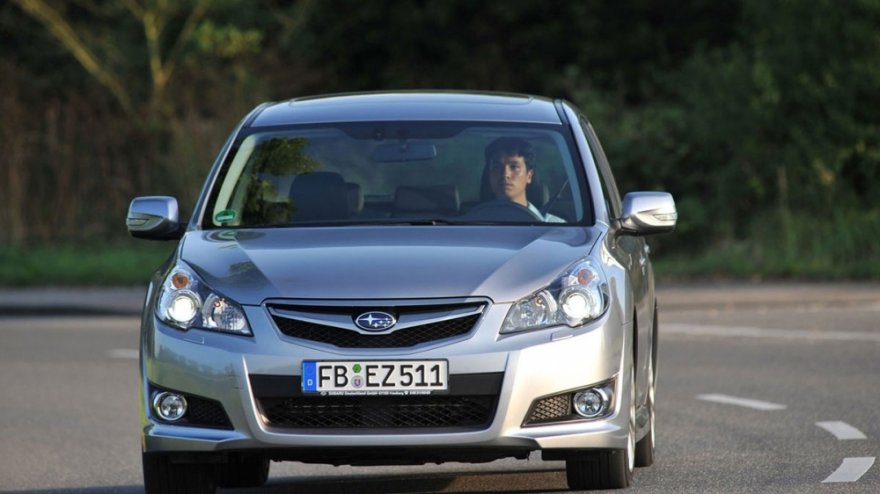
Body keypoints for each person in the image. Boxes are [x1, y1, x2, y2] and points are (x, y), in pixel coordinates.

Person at [482, 137, 565, 223]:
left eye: (514, 167)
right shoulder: (470, 225)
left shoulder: (555, 228)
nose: (505, 174)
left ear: (529, 176)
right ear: (489, 175)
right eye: (497, 167)